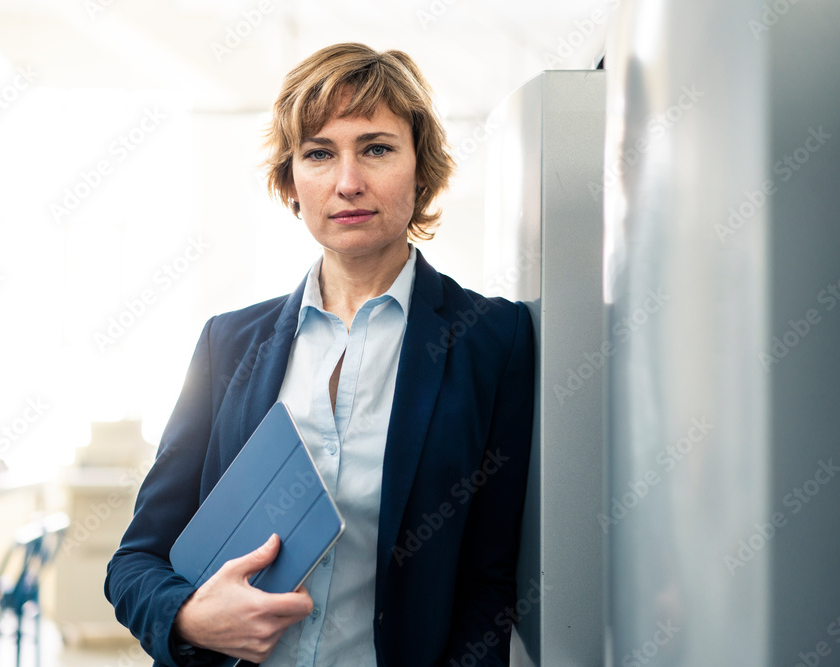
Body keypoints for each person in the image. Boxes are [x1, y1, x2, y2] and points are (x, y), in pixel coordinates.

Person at [105, 42, 536, 667]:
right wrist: (192, 618)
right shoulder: (227, 346)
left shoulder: (491, 340)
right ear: (291, 182)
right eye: (318, 154)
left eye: (377, 148)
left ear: (422, 169)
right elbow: (136, 560)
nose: (348, 182)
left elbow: (488, 583)